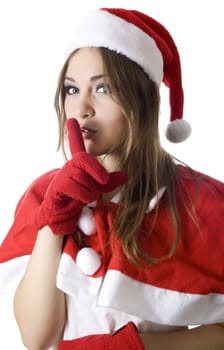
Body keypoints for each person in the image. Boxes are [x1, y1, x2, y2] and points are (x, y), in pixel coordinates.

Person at [0, 7, 224, 350]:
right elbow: (37, 337)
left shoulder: (199, 201)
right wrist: (53, 221)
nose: (82, 108)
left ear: (141, 100)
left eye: (102, 88)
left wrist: (133, 347)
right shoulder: (43, 194)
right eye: (71, 90)